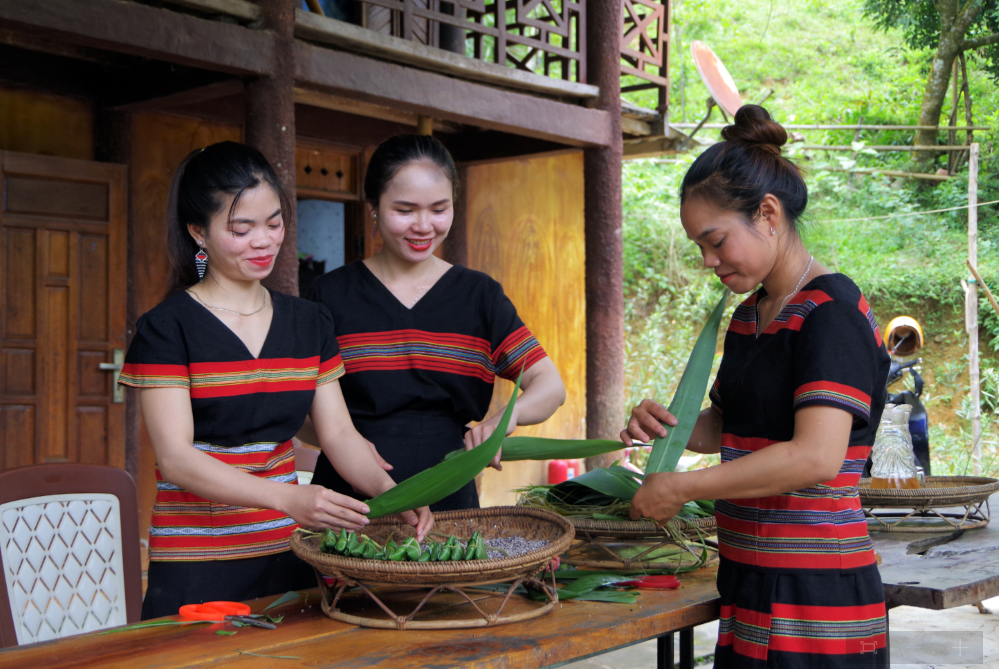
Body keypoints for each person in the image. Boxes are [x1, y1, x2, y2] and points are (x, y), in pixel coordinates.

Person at [622, 106, 890, 668]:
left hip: (817, 597)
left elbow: (816, 456)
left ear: (768, 214)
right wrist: (666, 428)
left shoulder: (832, 314)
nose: (708, 261)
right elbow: (728, 426)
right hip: (749, 580)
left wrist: (682, 488)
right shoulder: (750, 316)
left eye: (716, 241)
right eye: (699, 247)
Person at [119, 142, 432, 620]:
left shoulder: (309, 322)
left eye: (274, 223)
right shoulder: (167, 328)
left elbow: (339, 434)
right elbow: (177, 459)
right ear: (198, 232)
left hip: (288, 554)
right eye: (241, 229)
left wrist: (395, 497)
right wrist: (286, 497)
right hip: (196, 563)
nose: (264, 241)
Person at [303, 134, 566, 510]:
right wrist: (341, 442)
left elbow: (550, 385)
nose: (424, 226)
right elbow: (298, 409)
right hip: (349, 504)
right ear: (374, 206)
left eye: (439, 209)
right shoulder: (329, 295)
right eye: (405, 210)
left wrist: (506, 419)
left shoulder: (479, 296)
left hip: (449, 501)